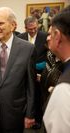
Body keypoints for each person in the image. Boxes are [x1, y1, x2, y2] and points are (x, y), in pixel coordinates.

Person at [18, 16, 48, 129]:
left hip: (41, 73)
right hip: (24, 73)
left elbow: (50, 56)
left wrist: (41, 68)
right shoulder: (20, 37)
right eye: (30, 29)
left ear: (38, 26)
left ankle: (37, 120)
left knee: (38, 96)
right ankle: (26, 118)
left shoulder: (45, 36)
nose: (33, 31)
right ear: (25, 28)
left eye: (35, 28)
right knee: (26, 95)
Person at [43, 5, 70, 133]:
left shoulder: (65, 88)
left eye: (50, 34)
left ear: (57, 36)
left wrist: (59, 93)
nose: (47, 38)